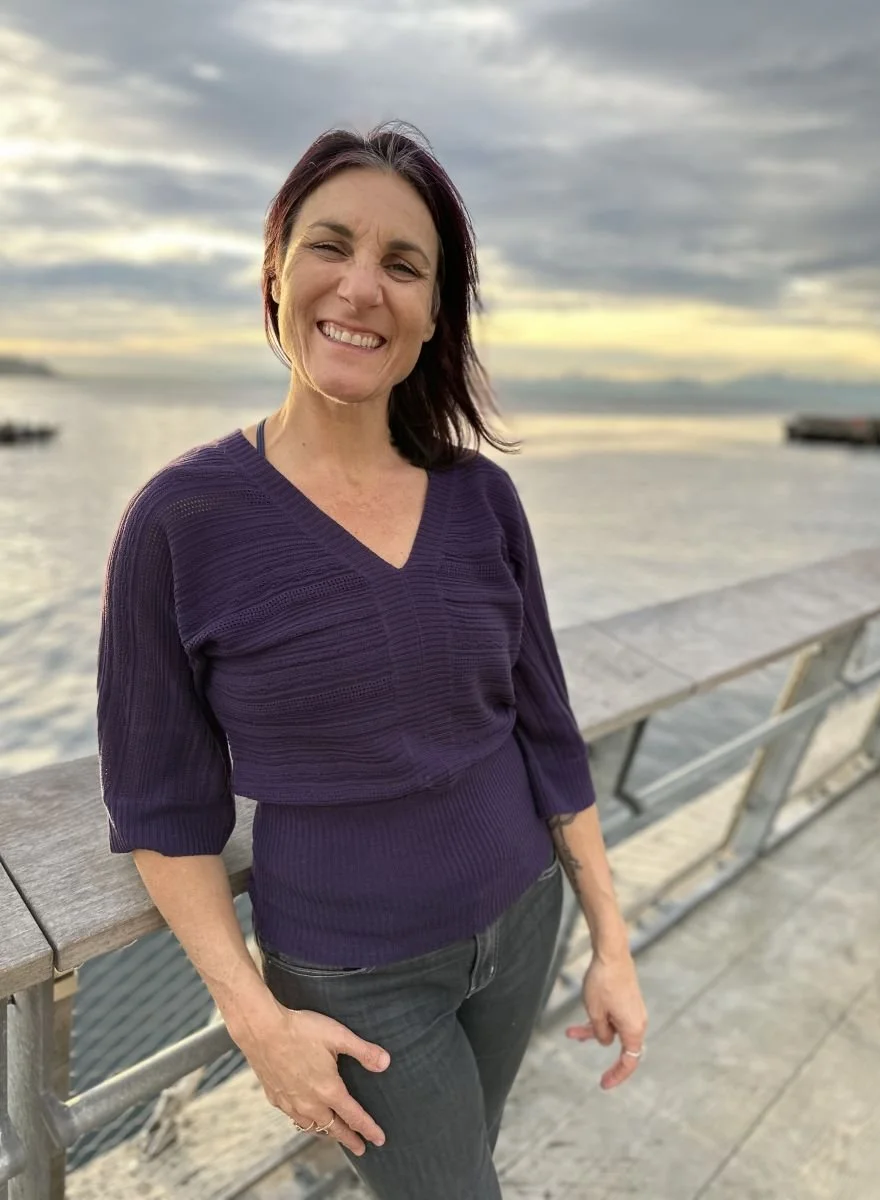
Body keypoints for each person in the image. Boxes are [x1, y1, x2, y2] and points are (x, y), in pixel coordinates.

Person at [97, 121, 647, 1200]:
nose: (361, 288)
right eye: (329, 247)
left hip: (521, 916)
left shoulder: (482, 498)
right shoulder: (182, 520)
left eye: (404, 265)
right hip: (358, 977)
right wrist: (255, 1021)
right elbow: (161, 809)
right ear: (275, 272)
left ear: (436, 312)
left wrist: (611, 944)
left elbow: (546, 731)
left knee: (466, 1162)